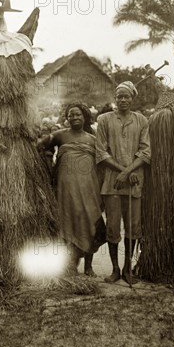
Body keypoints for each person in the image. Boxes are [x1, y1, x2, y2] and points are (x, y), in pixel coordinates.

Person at [39, 102, 106, 276]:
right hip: (65, 188)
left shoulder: (93, 139)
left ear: (85, 117)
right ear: (66, 118)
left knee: (90, 220)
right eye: (71, 115)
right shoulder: (60, 136)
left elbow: (103, 162)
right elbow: (40, 145)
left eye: (78, 114)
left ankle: (88, 266)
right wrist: (47, 161)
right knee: (68, 223)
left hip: (89, 187)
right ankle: (70, 265)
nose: (74, 117)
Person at [96, 81, 151, 285]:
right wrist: (122, 172)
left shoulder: (141, 120)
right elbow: (101, 152)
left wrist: (129, 171)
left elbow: (146, 151)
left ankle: (128, 268)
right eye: (119, 96)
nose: (122, 100)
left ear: (132, 98)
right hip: (112, 183)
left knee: (133, 226)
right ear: (114, 98)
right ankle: (115, 269)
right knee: (112, 227)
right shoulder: (104, 120)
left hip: (135, 182)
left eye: (126, 96)